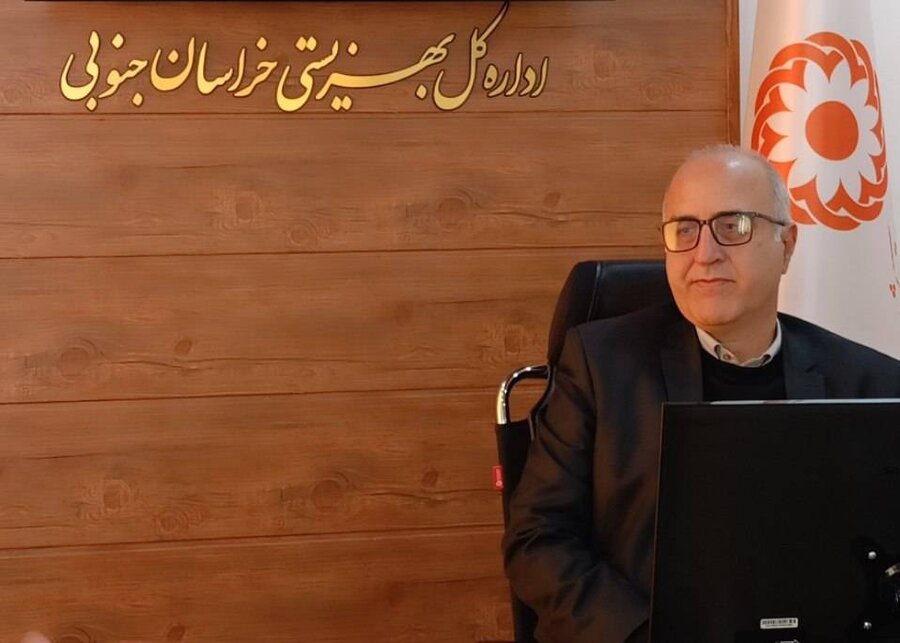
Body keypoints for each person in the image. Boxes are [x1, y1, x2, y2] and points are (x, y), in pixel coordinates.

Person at [502, 145, 900, 643]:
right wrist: (644, 634)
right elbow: (537, 539)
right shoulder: (600, 366)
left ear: (787, 244)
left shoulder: (872, 385)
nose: (704, 254)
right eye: (684, 230)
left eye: (733, 226)